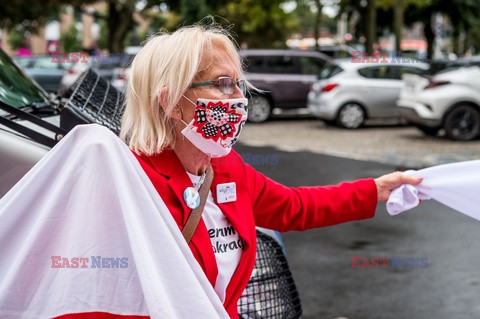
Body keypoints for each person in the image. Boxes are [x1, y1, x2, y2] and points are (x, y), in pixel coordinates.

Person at [119, 23, 422, 318]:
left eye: (239, 84)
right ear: (171, 102)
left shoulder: (226, 168)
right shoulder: (131, 183)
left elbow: (295, 207)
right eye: (222, 83)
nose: (238, 97)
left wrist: (375, 189)